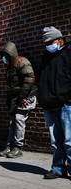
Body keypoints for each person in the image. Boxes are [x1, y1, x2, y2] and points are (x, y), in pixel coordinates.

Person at [37, 26, 71, 179]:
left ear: (59, 39)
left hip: (66, 104)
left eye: (50, 41)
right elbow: (42, 79)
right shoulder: (47, 56)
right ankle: (57, 168)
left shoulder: (69, 53)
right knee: (55, 141)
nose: (48, 45)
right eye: (45, 43)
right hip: (49, 105)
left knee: (69, 141)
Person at [0, 42, 37, 158]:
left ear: (11, 53)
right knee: (12, 123)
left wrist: (22, 97)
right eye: (2, 55)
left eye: (5, 55)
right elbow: (11, 87)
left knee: (19, 120)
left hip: (26, 98)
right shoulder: (10, 67)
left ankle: (18, 147)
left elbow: (29, 78)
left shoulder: (22, 62)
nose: (4, 58)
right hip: (16, 99)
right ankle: (10, 146)